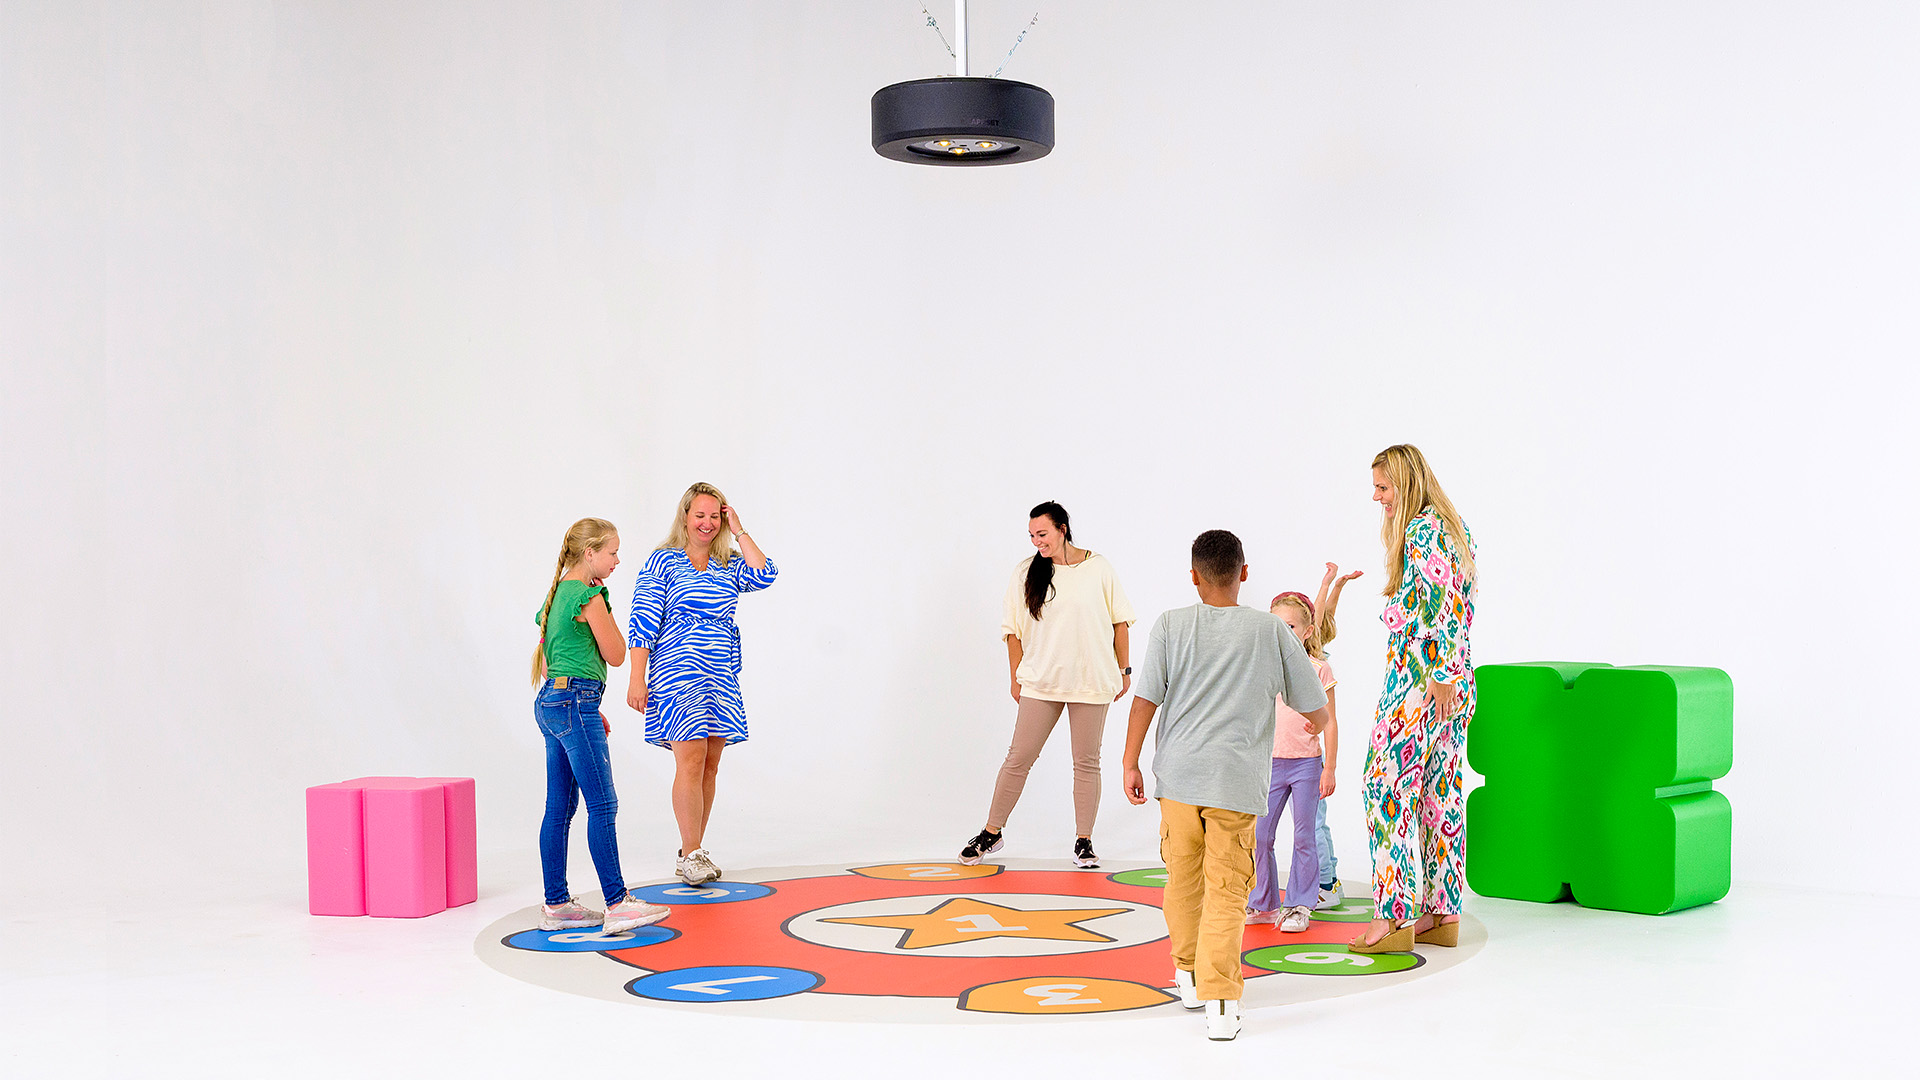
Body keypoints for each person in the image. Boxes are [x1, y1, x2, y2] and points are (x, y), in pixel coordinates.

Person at [1122, 530, 1332, 1041]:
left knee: (1182, 881)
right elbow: (1315, 705)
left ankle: (1188, 975)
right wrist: (1318, 724)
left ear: (1194, 576)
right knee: (1226, 889)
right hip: (1235, 783)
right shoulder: (1271, 630)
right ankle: (1221, 1002)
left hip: (1177, 780)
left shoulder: (1170, 625)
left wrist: (1130, 762)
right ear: (1244, 573)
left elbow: (1145, 699)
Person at [958, 502, 1135, 869]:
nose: (1037, 541)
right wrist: (1015, 677)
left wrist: (1124, 669)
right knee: (1018, 759)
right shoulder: (1025, 572)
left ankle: (1084, 840)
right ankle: (991, 832)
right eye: (1032, 536)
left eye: (1042, 534)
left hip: (1091, 679)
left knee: (1087, 763)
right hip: (1041, 681)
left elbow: (1120, 622)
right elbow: (1012, 632)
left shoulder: (1098, 567)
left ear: (1062, 529)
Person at [1350, 444, 1478, 954]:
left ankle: (1393, 916)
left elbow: (1445, 604)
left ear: (1405, 484)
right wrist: (1452, 675)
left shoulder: (1422, 530)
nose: (1377, 497)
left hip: (1421, 682)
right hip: (1453, 681)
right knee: (1437, 794)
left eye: (1383, 487)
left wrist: (1440, 674)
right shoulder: (1454, 526)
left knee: (1382, 786)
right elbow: (1460, 604)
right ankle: (1442, 912)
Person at [625, 484, 778, 887]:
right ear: (685, 517)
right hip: (677, 670)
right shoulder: (663, 561)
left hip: (720, 673)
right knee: (690, 760)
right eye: (700, 515)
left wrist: (739, 530)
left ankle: (691, 852)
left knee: (710, 763)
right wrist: (637, 677)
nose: (707, 524)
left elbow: (766, 574)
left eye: (715, 516)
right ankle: (691, 852)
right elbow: (642, 620)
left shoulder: (728, 562)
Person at [530, 518, 671, 935]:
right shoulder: (588, 596)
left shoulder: (556, 594)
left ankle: (556, 904)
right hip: (574, 704)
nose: (617, 560)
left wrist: (585, 704)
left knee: (559, 808)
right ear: (589, 553)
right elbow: (616, 654)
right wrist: (582, 704)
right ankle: (618, 903)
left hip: (555, 702)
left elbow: (551, 660)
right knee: (603, 805)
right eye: (612, 552)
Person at [1244, 589, 1341, 931]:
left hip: (1305, 765)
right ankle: (1263, 902)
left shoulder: (1318, 669)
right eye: (1277, 626)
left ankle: (1300, 905)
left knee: (1304, 837)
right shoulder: (1262, 667)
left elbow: (1330, 721)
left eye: (1291, 626)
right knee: (1260, 835)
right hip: (1270, 764)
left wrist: (1330, 768)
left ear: (1307, 631)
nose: (1283, 633)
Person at [1306, 562, 1363, 907]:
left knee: (1314, 824)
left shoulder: (1315, 664)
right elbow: (1321, 616)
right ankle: (1328, 879)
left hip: (1308, 759)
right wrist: (1334, 585)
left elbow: (1318, 616)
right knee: (1315, 824)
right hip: (1289, 757)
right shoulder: (1293, 657)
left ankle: (1326, 883)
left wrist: (1330, 583)